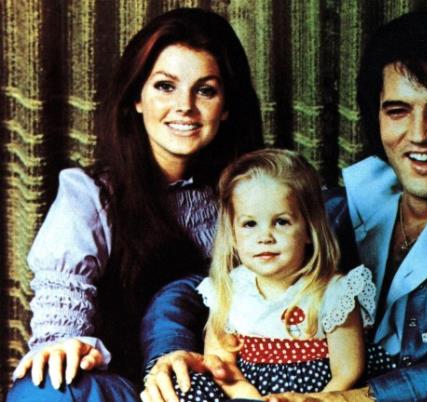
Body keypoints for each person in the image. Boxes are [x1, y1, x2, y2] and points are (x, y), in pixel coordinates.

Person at [140, 10, 427, 402]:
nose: (419, 134)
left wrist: (372, 396)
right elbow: (195, 287)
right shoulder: (337, 211)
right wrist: (171, 354)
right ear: (376, 118)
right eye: (398, 110)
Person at [7, 7, 262, 402]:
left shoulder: (251, 194)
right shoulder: (91, 195)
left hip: (222, 381)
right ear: (137, 98)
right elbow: (62, 307)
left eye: (205, 90)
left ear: (226, 107)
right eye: (165, 86)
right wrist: (66, 344)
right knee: (44, 389)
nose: (185, 107)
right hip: (124, 388)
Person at [165, 148, 375, 402]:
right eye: (250, 224)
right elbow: (222, 366)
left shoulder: (334, 292)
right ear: (232, 235)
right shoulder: (229, 290)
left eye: (281, 222)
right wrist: (250, 398)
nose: (265, 237)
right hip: (245, 395)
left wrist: (310, 399)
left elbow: (348, 370)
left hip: (317, 396)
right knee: (186, 388)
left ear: (309, 230)